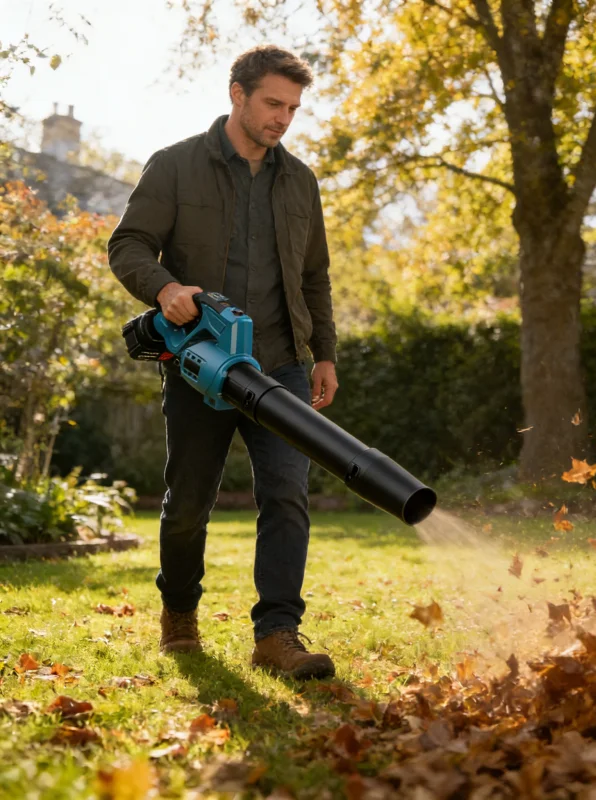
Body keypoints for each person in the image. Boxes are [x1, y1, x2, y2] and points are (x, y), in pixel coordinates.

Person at [108, 45, 338, 680]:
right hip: (202, 362)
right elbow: (128, 243)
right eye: (273, 103)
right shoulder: (177, 165)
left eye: (293, 108)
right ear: (236, 94)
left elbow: (314, 277)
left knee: (287, 494)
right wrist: (165, 288)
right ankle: (179, 612)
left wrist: (325, 355)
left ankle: (277, 635)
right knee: (188, 500)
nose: (283, 119)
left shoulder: (300, 181)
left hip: (282, 365)